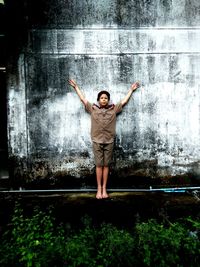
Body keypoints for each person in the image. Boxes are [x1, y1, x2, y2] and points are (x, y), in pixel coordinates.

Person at [68, 79, 140, 199]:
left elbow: (123, 102)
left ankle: (104, 189)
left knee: (106, 166)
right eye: (101, 98)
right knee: (98, 165)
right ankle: (99, 189)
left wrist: (131, 90)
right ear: (98, 100)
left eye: (106, 98)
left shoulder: (113, 109)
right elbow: (83, 99)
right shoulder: (93, 108)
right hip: (97, 140)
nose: (104, 99)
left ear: (108, 100)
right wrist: (76, 87)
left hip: (109, 141)